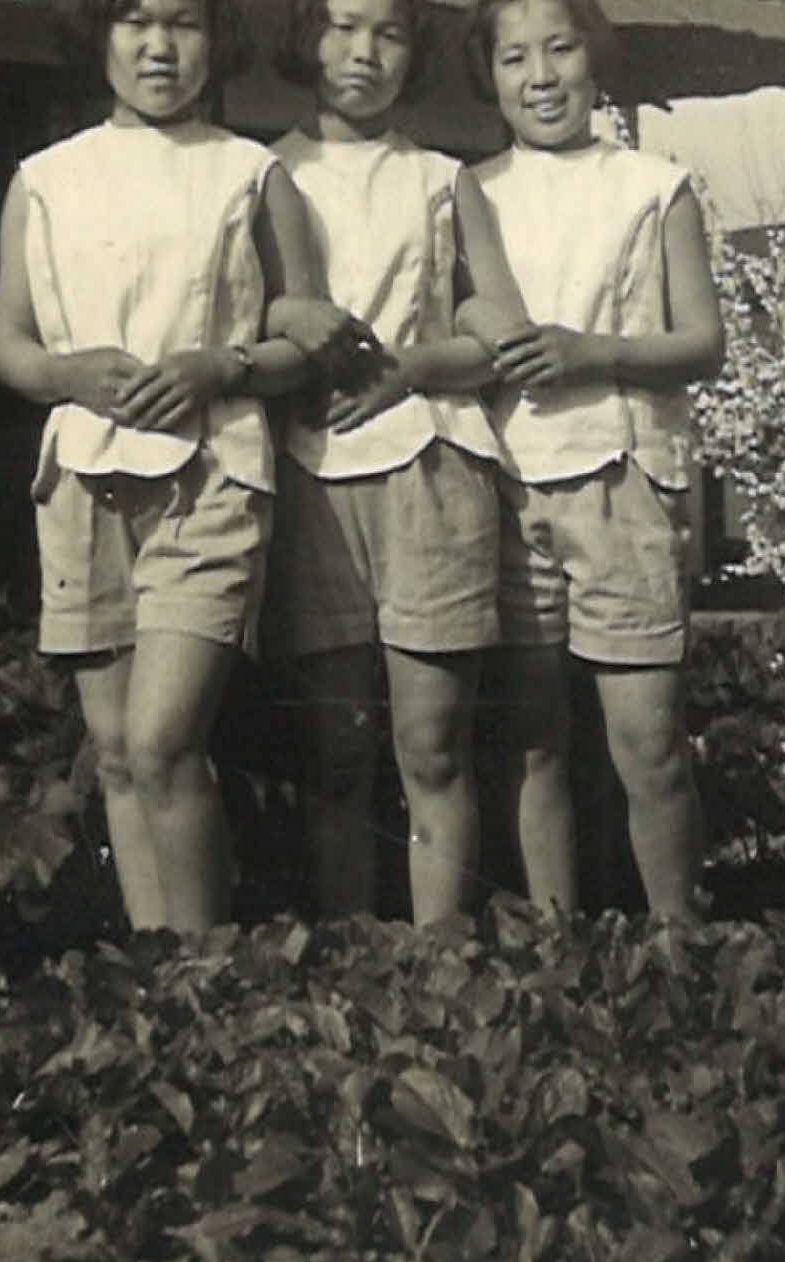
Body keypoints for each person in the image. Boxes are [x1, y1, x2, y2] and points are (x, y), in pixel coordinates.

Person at [0, 0, 357, 934]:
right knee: (117, 753)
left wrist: (218, 366)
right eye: (134, 21)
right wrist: (70, 374)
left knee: (163, 742)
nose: (159, 47)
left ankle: (210, 977)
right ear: (99, 35)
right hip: (83, 481)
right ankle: (160, 978)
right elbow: (11, 344)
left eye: (184, 23)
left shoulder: (251, 174)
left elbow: (306, 340)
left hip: (211, 476)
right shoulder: (45, 179)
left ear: (216, 39)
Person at [262, 0, 530, 923]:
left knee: (432, 747)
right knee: (335, 753)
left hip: (433, 467)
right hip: (312, 474)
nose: (363, 53)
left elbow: (497, 330)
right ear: (306, 35)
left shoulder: (440, 179)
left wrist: (414, 367)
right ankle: (351, 964)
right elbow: (242, 313)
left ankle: (440, 967)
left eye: (388, 33)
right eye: (341, 26)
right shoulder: (265, 173)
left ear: (414, 53)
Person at [465, 0, 725, 920]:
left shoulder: (654, 187)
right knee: (532, 742)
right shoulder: (470, 192)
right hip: (507, 487)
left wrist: (593, 353)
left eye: (560, 49)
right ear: (490, 74)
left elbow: (703, 343)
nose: (540, 77)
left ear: (594, 57)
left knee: (648, 745)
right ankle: (554, 951)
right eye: (514, 58)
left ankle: (682, 949)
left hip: (623, 483)